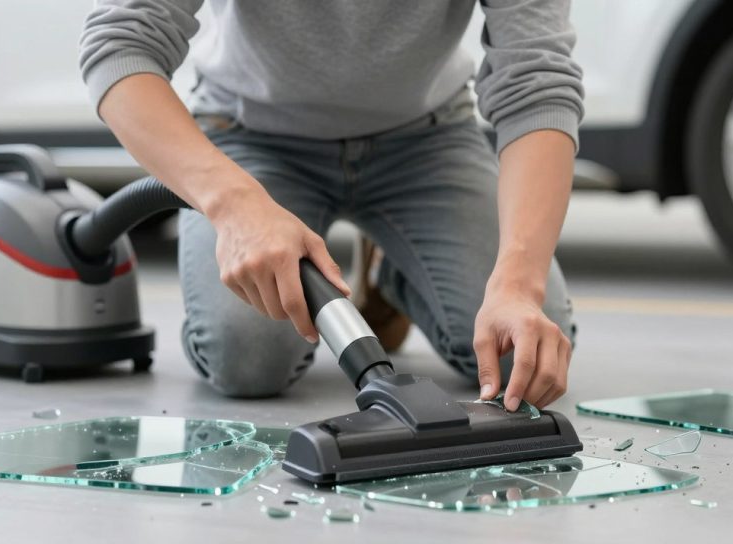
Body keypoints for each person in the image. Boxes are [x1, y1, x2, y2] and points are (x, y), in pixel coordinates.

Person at [79, 0, 583, 410]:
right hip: (254, 139)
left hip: (425, 140)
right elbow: (121, 44)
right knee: (247, 357)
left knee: (523, 351)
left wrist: (519, 281)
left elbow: (537, 84)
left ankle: (394, 269)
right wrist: (235, 206)